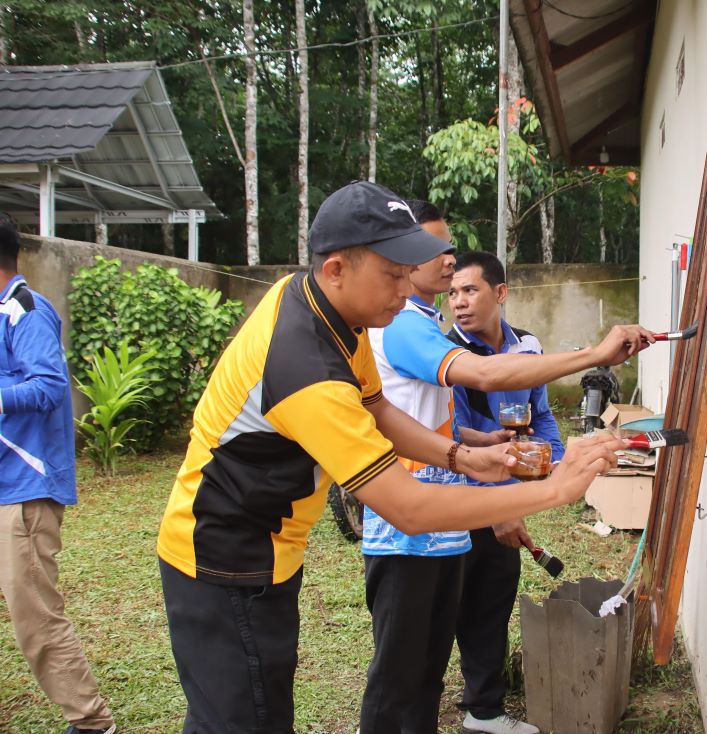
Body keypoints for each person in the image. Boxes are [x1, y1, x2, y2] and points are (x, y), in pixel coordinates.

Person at [155, 181, 637, 733]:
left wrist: (459, 455)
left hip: (267, 550)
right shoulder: (303, 365)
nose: (407, 286)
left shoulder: (331, 311)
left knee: (258, 706)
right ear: (336, 269)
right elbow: (407, 507)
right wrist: (558, 488)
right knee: (244, 721)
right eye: (392, 273)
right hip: (223, 559)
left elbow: (377, 407)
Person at [359, 202, 653, 734]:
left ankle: (481, 709)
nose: (448, 263)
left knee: (426, 669)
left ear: (500, 294)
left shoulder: (423, 323)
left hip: (444, 522)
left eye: (450, 250)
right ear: (399, 257)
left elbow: (416, 418)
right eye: (434, 250)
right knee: (399, 674)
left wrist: (472, 451)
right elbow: (485, 376)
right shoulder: (405, 327)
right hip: (407, 528)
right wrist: (594, 354)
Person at [0, 212, 117, 734]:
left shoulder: (24, 310)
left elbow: (49, 386)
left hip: (24, 493)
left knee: (35, 616)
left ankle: (91, 723)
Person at [447, 250, 562, 734]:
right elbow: (451, 433)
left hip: (505, 490)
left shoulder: (528, 348)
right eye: (451, 292)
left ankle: (483, 709)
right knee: (443, 606)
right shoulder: (448, 354)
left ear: (500, 293)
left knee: (491, 599)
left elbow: (542, 415)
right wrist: (499, 506)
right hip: (452, 496)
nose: (458, 303)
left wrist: (551, 459)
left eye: (469, 290)